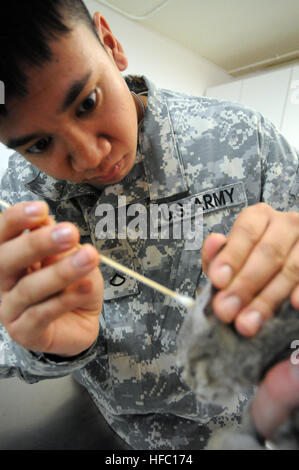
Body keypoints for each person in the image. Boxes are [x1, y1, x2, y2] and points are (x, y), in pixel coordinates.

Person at [0, 0, 298, 450]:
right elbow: (8, 346)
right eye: (41, 144)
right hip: (114, 433)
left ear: (112, 44)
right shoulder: (20, 201)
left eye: (88, 103)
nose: (90, 156)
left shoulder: (247, 139)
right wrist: (50, 346)